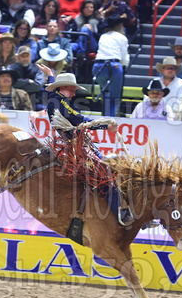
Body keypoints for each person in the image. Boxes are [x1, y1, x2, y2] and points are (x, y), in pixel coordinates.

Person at [38, 65, 133, 226]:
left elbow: (55, 94)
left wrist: (51, 76)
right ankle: (121, 213)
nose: (74, 93)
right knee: (103, 172)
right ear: (62, 88)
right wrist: (105, 126)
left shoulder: (57, 99)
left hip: (77, 143)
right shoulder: (58, 101)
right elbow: (79, 121)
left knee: (107, 167)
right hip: (74, 147)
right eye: (71, 89)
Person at [92, 16, 129, 117]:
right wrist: (125, 65)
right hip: (114, 65)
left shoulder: (103, 36)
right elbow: (124, 57)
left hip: (98, 65)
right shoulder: (122, 37)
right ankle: (111, 120)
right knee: (115, 96)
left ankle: (105, 116)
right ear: (120, 26)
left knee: (105, 94)